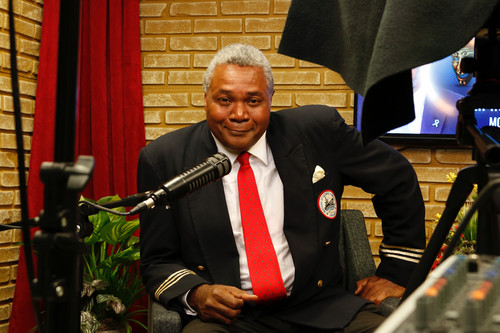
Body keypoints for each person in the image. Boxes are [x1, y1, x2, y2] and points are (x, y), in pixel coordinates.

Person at [138, 43, 426, 332]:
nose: (238, 114)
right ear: (205, 99)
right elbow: (157, 260)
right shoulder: (165, 158)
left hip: (320, 305)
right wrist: (197, 294)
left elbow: (396, 178)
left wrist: (397, 271)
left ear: (270, 100)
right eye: (224, 100)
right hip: (230, 320)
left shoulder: (318, 131)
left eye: (253, 101)